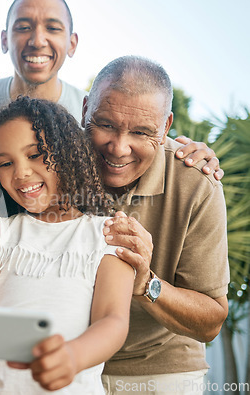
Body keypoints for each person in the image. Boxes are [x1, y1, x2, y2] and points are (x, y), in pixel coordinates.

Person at [0, 0, 223, 181]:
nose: (37, 40)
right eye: (23, 27)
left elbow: (136, 140)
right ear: (5, 40)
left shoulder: (94, 117)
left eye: (52, 27)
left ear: (72, 42)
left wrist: (192, 151)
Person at [0, 96, 135, 394]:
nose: (20, 173)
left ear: (69, 154)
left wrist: (72, 356)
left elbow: (113, 321)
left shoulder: (107, 236)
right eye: (6, 163)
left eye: (35, 155)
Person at [82, 56, 229, 394]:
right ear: (86, 109)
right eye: (105, 124)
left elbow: (211, 320)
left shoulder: (197, 184)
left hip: (158, 367)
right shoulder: (51, 159)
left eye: (141, 132)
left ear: (165, 128)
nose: (119, 148)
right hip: (69, 356)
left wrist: (146, 284)